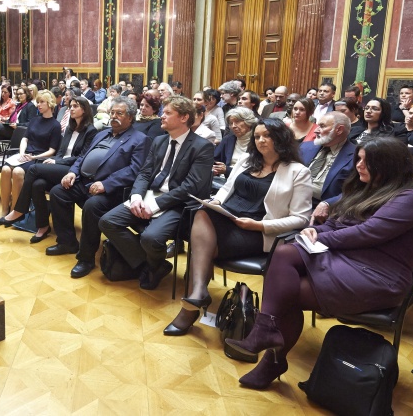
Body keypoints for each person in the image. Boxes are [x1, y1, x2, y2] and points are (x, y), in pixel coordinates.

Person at [226, 138, 413, 390]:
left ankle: (270, 355)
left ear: (389, 165)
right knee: (285, 254)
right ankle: (267, 337)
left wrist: (320, 236)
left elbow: (367, 233)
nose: (359, 165)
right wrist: (313, 230)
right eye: (359, 159)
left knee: (286, 291)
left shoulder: (409, 199)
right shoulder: (364, 188)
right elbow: (337, 221)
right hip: (343, 259)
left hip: (376, 276)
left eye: (367, 161)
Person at [163, 118, 312, 337]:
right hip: (228, 218)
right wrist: (217, 202)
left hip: (256, 231)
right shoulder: (246, 160)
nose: (261, 140)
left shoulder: (298, 171)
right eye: (257, 136)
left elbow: (300, 218)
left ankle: (192, 305)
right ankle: (197, 294)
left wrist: (260, 225)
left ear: (280, 139)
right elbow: (226, 188)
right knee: (203, 211)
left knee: (202, 246)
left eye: (267, 136)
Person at [99, 96, 214, 289]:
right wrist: (136, 196)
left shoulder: (202, 147)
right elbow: (144, 173)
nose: (161, 116)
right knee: (107, 221)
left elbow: (191, 187)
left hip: (179, 204)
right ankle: (154, 265)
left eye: (168, 113)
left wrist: (155, 205)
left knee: (151, 238)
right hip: (150, 195)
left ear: (184, 117)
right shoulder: (159, 141)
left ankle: (151, 266)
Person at [47, 98, 151, 279]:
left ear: (131, 117)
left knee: (92, 206)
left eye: (119, 113)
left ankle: (86, 258)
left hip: (113, 189)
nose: (114, 116)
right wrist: (72, 172)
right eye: (112, 113)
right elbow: (82, 157)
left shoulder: (140, 140)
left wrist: (107, 184)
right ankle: (67, 242)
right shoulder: (102, 133)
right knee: (58, 192)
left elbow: (134, 170)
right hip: (84, 181)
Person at [0, 96, 97, 241]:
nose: (71, 109)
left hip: (73, 171)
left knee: (33, 169)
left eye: (75, 106)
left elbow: (82, 157)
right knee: (38, 185)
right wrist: (54, 160)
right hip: (61, 165)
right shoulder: (70, 128)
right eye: (70, 106)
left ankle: (20, 209)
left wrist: (58, 162)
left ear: (84, 110)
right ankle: (43, 226)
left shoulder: (90, 131)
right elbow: (61, 153)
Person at [0, 90, 61, 217]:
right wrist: (21, 153)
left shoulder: (55, 125)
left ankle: (16, 211)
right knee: (5, 169)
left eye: (42, 102)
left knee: (17, 171)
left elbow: (52, 151)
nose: (38, 105)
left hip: (39, 158)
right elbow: (25, 139)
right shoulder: (34, 120)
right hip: (25, 155)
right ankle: (5, 209)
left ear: (50, 103)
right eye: (38, 102)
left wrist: (34, 157)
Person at [299, 112, 355, 206]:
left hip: (323, 207)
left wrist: (328, 204)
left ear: (339, 130)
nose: (316, 130)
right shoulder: (305, 147)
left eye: (322, 126)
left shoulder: (356, 156)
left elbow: (357, 192)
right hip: (292, 199)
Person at [213, 107, 259, 182]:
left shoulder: (258, 140)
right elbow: (215, 159)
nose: (233, 126)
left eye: (237, 121)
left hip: (248, 182)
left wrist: (228, 170)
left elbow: (255, 171)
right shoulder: (228, 139)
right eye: (231, 123)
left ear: (248, 122)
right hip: (226, 180)